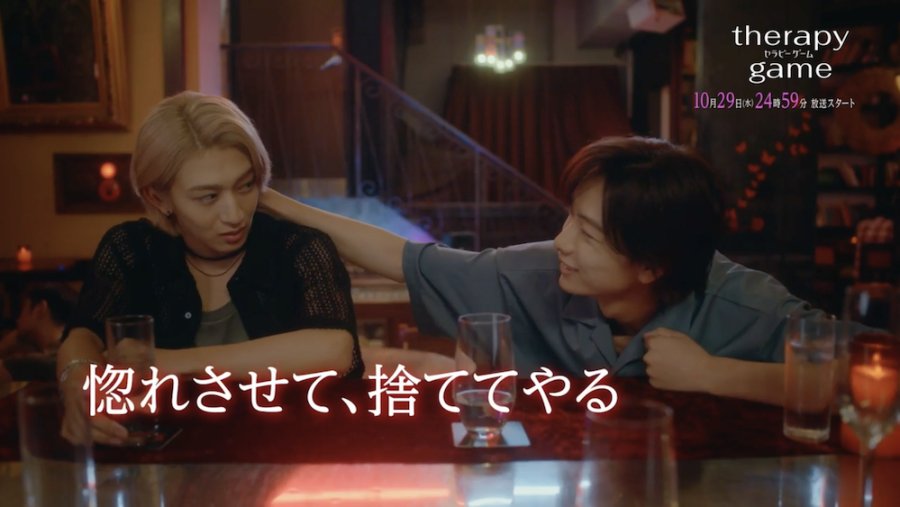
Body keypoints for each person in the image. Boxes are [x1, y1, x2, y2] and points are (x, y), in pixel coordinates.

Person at [260, 136, 826, 407]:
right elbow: (399, 257)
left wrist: (714, 374)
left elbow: (867, 378)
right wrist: (268, 202)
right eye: (569, 217)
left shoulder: (744, 303)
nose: (561, 242)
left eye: (589, 234)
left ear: (653, 265)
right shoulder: (533, 273)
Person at [57, 91, 362, 445]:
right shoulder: (131, 249)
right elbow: (83, 335)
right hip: (166, 459)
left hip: (293, 455)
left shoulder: (298, 248)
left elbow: (334, 350)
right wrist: (77, 383)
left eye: (245, 185)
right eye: (208, 197)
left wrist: (172, 363)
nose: (235, 214)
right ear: (158, 197)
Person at [0, 284, 76, 382]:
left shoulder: (43, 362)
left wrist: (3, 346)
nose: (18, 320)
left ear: (40, 309)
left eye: (22, 309)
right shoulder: (76, 350)